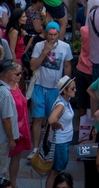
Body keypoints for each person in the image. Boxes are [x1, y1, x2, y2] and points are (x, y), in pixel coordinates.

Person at [29, 22, 73, 156]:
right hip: (40, 86)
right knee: (37, 118)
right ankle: (35, 149)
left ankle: (47, 147)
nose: (53, 37)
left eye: (55, 35)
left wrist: (67, 86)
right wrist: (45, 52)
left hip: (55, 89)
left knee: (51, 119)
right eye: (50, 34)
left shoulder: (65, 47)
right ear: (46, 34)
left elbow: (67, 66)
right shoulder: (39, 45)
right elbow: (32, 66)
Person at [45, 76, 76, 188]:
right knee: (55, 172)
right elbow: (51, 120)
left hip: (63, 141)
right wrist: (58, 124)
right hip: (60, 143)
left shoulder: (65, 101)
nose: (75, 90)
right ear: (64, 91)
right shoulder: (61, 105)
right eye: (72, 89)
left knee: (55, 171)